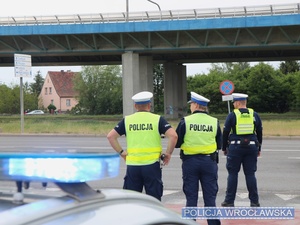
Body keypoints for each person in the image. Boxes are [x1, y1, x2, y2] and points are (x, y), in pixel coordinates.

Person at [107, 91, 178, 201]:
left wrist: (122, 153)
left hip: (133, 167)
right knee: (154, 201)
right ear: (149, 105)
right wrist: (168, 153)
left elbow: (111, 136)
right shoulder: (157, 119)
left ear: (135, 106)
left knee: (132, 201)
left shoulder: (127, 120)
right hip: (152, 166)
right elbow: (173, 136)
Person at [175, 92, 222, 225]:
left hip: (190, 163)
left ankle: (190, 223)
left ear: (195, 105)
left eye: (191, 104)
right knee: (210, 198)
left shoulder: (186, 121)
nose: (190, 107)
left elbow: (178, 142)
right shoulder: (214, 122)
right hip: (209, 162)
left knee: (191, 197)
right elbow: (219, 144)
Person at [221, 93, 263, 207]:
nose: (234, 104)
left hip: (235, 147)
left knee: (233, 173)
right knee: (250, 174)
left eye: (234, 102)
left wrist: (224, 147)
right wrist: (259, 148)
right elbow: (259, 132)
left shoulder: (232, 115)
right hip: (252, 147)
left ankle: (229, 201)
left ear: (238, 103)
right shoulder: (254, 114)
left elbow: (225, 132)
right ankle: (254, 201)